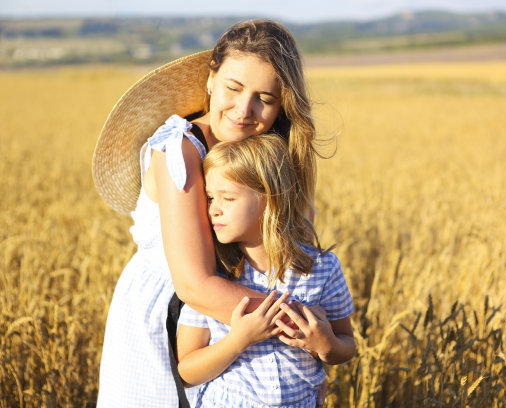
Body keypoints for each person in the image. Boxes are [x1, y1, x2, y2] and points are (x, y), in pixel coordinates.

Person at [92, 20, 323, 407]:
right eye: (234, 88)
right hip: (172, 319)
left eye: (264, 98)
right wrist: (302, 328)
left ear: (283, 104)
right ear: (211, 78)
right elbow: (194, 285)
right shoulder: (178, 149)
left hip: (242, 315)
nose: (243, 110)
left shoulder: (267, 155)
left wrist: (309, 363)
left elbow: (298, 243)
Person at [177, 134, 355, 408]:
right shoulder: (213, 275)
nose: (213, 210)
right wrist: (238, 340)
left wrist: (324, 343)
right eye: (211, 198)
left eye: (228, 198)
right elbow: (188, 372)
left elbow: (347, 345)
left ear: (269, 200)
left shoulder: (323, 269)